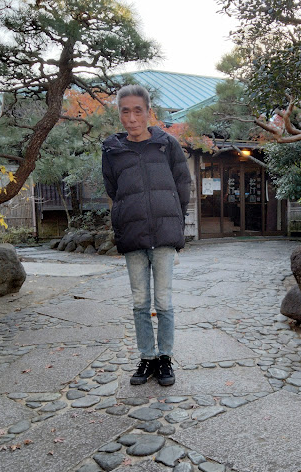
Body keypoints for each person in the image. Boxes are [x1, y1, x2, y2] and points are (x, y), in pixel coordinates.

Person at [102, 84, 191, 386]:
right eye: (125, 111)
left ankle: (165, 358)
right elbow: (113, 191)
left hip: (164, 235)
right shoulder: (112, 151)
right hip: (133, 235)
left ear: (148, 112)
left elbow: (182, 186)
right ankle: (147, 358)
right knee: (140, 302)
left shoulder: (167, 145)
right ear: (119, 114)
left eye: (137, 111)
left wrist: (177, 226)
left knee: (163, 302)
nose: (131, 118)